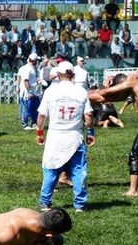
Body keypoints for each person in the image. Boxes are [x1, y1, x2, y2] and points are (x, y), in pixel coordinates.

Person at [36, 61, 95, 212]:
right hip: (75, 136)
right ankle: (80, 205)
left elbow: (42, 115)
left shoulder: (50, 91)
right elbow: (88, 115)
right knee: (78, 170)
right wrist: (90, 133)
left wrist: (39, 133)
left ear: (58, 74)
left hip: (55, 136)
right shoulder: (81, 91)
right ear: (72, 74)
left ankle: (44, 202)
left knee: (51, 169)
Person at [18, 53, 41, 130]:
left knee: (35, 108)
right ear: (33, 60)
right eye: (36, 60)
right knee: (26, 108)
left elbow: (31, 80)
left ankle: (34, 123)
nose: (37, 61)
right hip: (27, 92)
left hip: (34, 91)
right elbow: (26, 81)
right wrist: (29, 92)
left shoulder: (32, 68)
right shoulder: (27, 69)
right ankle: (25, 124)